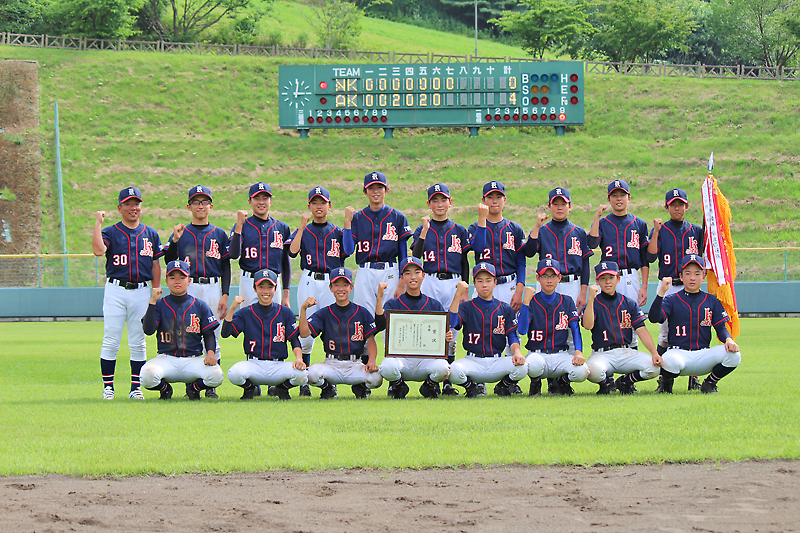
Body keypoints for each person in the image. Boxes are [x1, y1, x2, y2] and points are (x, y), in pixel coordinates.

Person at [343, 171, 412, 396]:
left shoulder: (398, 217)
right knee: (363, 320)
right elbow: (347, 250)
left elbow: (403, 251)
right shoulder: (358, 218)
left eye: (379, 187)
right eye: (371, 188)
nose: (375, 191)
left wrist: (402, 279)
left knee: (391, 319)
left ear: (386, 190)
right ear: (365, 191)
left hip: (390, 269)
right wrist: (346, 223)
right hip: (364, 270)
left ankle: (394, 376)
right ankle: (364, 376)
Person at [92, 186, 164, 400]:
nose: (133, 208)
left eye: (137, 203)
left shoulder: (150, 233)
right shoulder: (111, 232)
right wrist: (98, 223)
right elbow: (98, 250)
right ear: (120, 207)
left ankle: (135, 388)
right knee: (111, 340)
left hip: (142, 290)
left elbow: (155, 264)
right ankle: (108, 387)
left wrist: (156, 289)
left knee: (138, 340)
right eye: (128, 204)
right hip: (116, 289)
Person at [163, 185, 231, 399]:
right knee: (189, 336)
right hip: (188, 286)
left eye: (204, 202)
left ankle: (210, 384)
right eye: (196, 202)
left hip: (212, 286)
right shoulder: (181, 232)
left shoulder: (219, 234)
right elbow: (167, 260)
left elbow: (226, 266)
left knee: (214, 335)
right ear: (189, 206)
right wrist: (174, 240)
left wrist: (225, 293)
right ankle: (192, 383)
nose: (200, 206)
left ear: (210, 206)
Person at [524, 187, 593, 393]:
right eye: (556, 203)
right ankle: (540, 376)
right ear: (549, 206)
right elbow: (529, 252)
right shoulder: (543, 230)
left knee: (570, 329)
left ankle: (562, 380)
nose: (560, 207)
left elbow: (585, 264)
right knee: (543, 322)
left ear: (570, 206)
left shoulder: (579, 232)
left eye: (563, 203)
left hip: (572, 282)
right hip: (547, 280)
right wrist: (536, 227)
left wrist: (583, 291)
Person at [285, 186, 347, 397]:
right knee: (306, 331)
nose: (318, 206)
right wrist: (302, 227)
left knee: (334, 328)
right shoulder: (305, 230)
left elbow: (348, 250)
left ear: (329, 205)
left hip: (332, 282)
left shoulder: (337, 231)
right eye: (315, 202)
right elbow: (292, 251)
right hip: (309, 279)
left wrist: (347, 225)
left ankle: (331, 379)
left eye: (322, 202)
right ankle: (304, 380)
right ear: (309, 206)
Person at [648, 255, 741, 394]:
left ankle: (709, 383)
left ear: (703, 276)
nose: (692, 278)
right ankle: (666, 382)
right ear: (681, 276)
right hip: (678, 354)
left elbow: (721, 327)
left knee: (735, 356)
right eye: (688, 273)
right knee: (668, 360)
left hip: (704, 355)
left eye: (697, 274)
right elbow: (654, 318)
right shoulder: (671, 299)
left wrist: (728, 339)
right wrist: (661, 292)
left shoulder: (711, 300)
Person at [411, 183, 470, 396]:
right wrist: (425, 231)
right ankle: (433, 377)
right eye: (434, 200)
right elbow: (415, 257)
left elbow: (464, 261)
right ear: (428, 204)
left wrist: (464, 287)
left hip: (454, 280)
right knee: (430, 327)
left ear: (450, 202)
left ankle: (447, 380)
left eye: (443, 200)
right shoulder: (422, 229)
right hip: (430, 279)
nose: (439, 204)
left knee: (451, 329)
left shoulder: (460, 230)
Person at [646, 188, 705, 391]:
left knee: (695, 332)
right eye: (673, 204)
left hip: (692, 286)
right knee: (665, 335)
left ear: (687, 206)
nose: (677, 207)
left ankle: (693, 378)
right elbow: (651, 256)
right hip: (669, 286)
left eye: (680, 204)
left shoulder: (696, 231)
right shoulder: (661, 229)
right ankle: (665, 379)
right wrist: (655, 231)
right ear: (667, 207)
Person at [139, 260, 223, 400]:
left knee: (216, 376)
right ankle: (165, 390)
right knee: (146, 376)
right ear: (166, 281)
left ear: (189, 281)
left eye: (182, 277)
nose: (177, 281)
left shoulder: (200, 305)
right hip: (166, 359)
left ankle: (193, 388)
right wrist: (152, 302)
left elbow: (209, 334)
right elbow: (148, 330)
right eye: (172, 278)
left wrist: (210, 353)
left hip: (193, 360)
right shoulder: (159, 304)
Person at [222, 269, 308, 400]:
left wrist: (299, 358)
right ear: (254, 289)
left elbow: (294, 340)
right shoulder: (246, 312)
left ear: (275, 288)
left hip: (278, 366)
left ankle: (282, 388)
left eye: (270, 287)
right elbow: (226, 333)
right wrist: (232, 309)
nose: (265, 291)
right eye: (261, 287)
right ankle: (251, 389)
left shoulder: (285, 312)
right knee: (234, 373)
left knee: (303, 375)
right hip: (254, 365)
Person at [298, 267, 382, 399]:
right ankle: (328, 388)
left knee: (377, 379)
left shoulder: (362, 312)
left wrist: (371, 361)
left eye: (345, 284)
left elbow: (371, 340)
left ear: (351, 287)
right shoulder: (325, 313)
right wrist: (303, 310)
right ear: (330, 288)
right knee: (311, 374)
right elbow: (303, 334)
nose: (340, 289)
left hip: (355, 364)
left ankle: (359, 386)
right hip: (331, 364)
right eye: (336, 285)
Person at [375, 257, 451, 399]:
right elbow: (380, 325)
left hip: (426, 360)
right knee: (386, 367)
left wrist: (446, 337)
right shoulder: (393, 304)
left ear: (423, 275)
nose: (413, 277)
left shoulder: (434, 305)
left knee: (443, 368)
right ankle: (398, 385)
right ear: (402, 277)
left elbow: (441, 335)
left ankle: (429, 386)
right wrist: (379, 298)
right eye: (408, 273)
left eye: (417, 272)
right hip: (401, 359)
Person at [448, 263, 528, 397]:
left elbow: (512, 336)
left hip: (497, 361)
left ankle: (503, 386)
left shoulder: (505, 308)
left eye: (488, 280)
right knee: (453, 371)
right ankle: (472, 388)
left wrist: (517, 352)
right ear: (474, 283)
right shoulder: (466, 307)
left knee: (523, 367)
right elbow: (452, 322)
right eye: (480, 281)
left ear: (495, 282)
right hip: (472, 361)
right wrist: (458, 294)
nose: (484, 284)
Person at [588, 180, 650, 350]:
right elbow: (592, 243)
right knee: (605, 317)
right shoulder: (603, 223)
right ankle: (603, 352)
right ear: (609, 199)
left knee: (632, 318)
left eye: (622, 194)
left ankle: (631, 356)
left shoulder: (639, 224)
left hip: (630, 275)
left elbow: (645, 259)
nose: (619, 198)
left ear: (629, 198)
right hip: (607, 277)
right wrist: (597, 216)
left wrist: (644, 286)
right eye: (614, 195)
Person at [583, 261, 662, 394]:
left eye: (611, 277)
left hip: (626, 352)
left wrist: (654, 353)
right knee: (592, 371)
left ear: (618, 279)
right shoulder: (594, 303)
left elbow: (641, 329)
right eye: (603, 278)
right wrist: (590, 299)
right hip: (602, 353)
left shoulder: (629, 303)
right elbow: (588, 325)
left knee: (654, 368)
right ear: (598, 281)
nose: (608, 282)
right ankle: (607, 384)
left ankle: (625, 382)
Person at [518, 259, 588, 396]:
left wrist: (578, 352)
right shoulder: (531, 301)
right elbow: (522, 330)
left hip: (561, 355)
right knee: (533, 364)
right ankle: (535, 384)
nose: (549, 280)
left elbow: (575, 329)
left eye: (553, 276)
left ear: (559, 278)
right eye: (545, 276)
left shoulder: (567, 301)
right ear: (538, 278)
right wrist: (525, 303)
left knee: (582, 371)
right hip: (537, 354)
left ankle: (561, 382)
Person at [229, 182, 291, 308]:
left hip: (273, 280)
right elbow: (233, 254)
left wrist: (286, 295)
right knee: (248, 321)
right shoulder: (242, 226)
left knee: (274, 322)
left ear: (271, 201)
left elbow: (285, 261)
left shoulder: (282, 228)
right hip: (249, 280)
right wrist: (239, 226)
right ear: (250, 202)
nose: (261, 202)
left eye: (265, 198)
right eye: (257, 198)